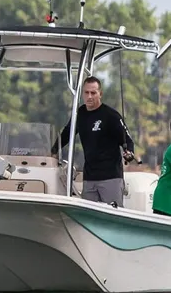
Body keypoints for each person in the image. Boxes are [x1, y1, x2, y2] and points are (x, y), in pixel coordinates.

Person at [51, 76, 135, 206]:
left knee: (112, 218)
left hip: (111, 177)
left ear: (100, 94)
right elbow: (67, 133)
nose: (89, 96)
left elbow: (128, 140)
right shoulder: (80, 114)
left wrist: (129, 152)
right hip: (89, 178)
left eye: (93, 93)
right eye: (86, 92)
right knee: (88, 217)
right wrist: (53, 150)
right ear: (82, 94)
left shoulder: (111, 115)